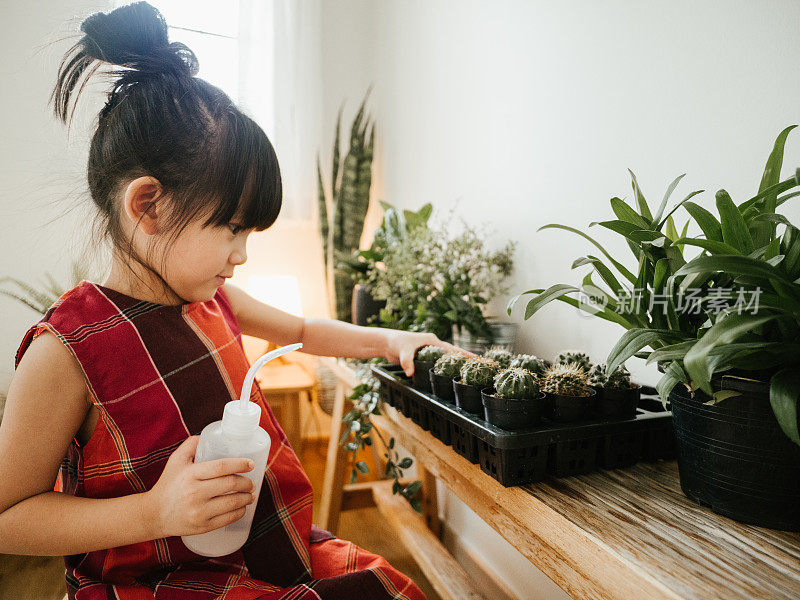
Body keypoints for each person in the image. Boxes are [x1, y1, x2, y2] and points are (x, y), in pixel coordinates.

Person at [0, 3, 469, 598]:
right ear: (149, 205)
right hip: (165, 583)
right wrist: (155, 513)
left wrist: (391, 341)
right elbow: (8, 517)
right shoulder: (67, 351)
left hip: (271, 550)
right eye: (232, 230)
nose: (242, 255)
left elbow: (305, 330)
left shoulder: (212, 301)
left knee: (388, 587)